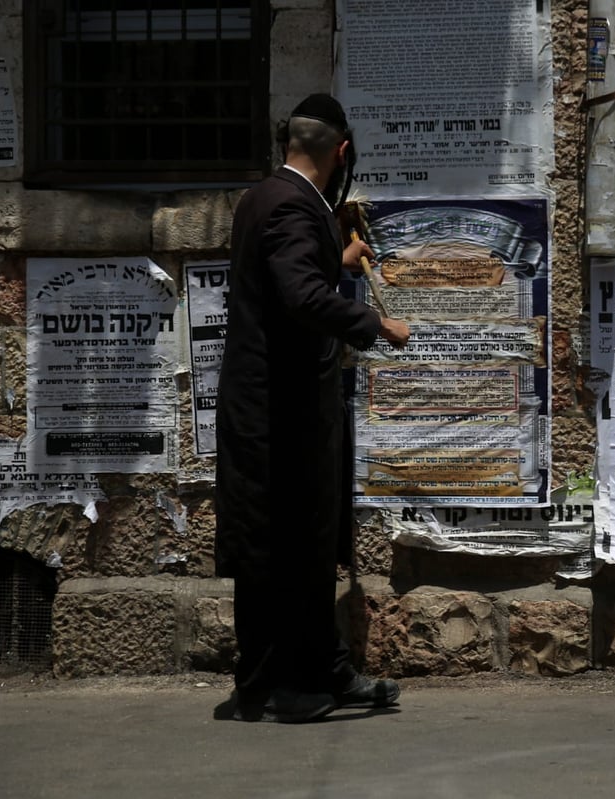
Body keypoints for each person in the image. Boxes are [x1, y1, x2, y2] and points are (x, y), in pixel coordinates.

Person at [214, 93, 410, 723]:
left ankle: (304, 673)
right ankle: (286, 686)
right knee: (288, 548)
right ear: (340, 152)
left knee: (292, 544)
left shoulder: (264, 199)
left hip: (273, 409)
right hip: (282, 415)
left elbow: (289, 277)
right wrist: (375, 323)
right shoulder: (295, 209)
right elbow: (300, 295)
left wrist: (339, 257)